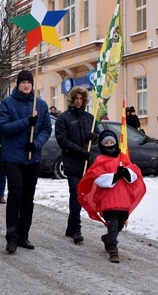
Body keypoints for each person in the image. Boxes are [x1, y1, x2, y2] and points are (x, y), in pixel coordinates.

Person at [0, 70, 51, 254]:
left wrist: (36, 144)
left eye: (29, 82)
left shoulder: (41, 105)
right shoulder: (7, 103)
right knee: (15, 194)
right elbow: (4, 128)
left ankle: (23, 236)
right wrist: (27, 122)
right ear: (17, 85)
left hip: (32, 158)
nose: (26, 85)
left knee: (28, 198)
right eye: (23, 82)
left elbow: (46, 129)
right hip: (13, 158)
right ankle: (11, 237)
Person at [78, 130, 146, 263]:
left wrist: (125, 172)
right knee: (113, 224)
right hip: (108, 199)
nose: (109, 144)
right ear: (103, 145)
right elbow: (96, 177)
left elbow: (135, 172)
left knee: (119, 224)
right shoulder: (100, 160)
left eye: (111, 142)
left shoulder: (123, 158)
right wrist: (115, 176)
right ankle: (113, 251)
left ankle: (108, 238)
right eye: (106, 142)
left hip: (123, 198)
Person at [55, 85, 100, 244]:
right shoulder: (64, 118)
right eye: (76, 98)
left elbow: (98, 136)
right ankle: (76, 229)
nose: (79, 101)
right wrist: (80, 151)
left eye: (81, 98)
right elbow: (62, 140)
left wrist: (94, 137)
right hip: (72, 161)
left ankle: (70, 226)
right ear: (72, 100)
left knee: (81, 195)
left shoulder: (89, 118)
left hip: (87, 163)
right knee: (76, 195)